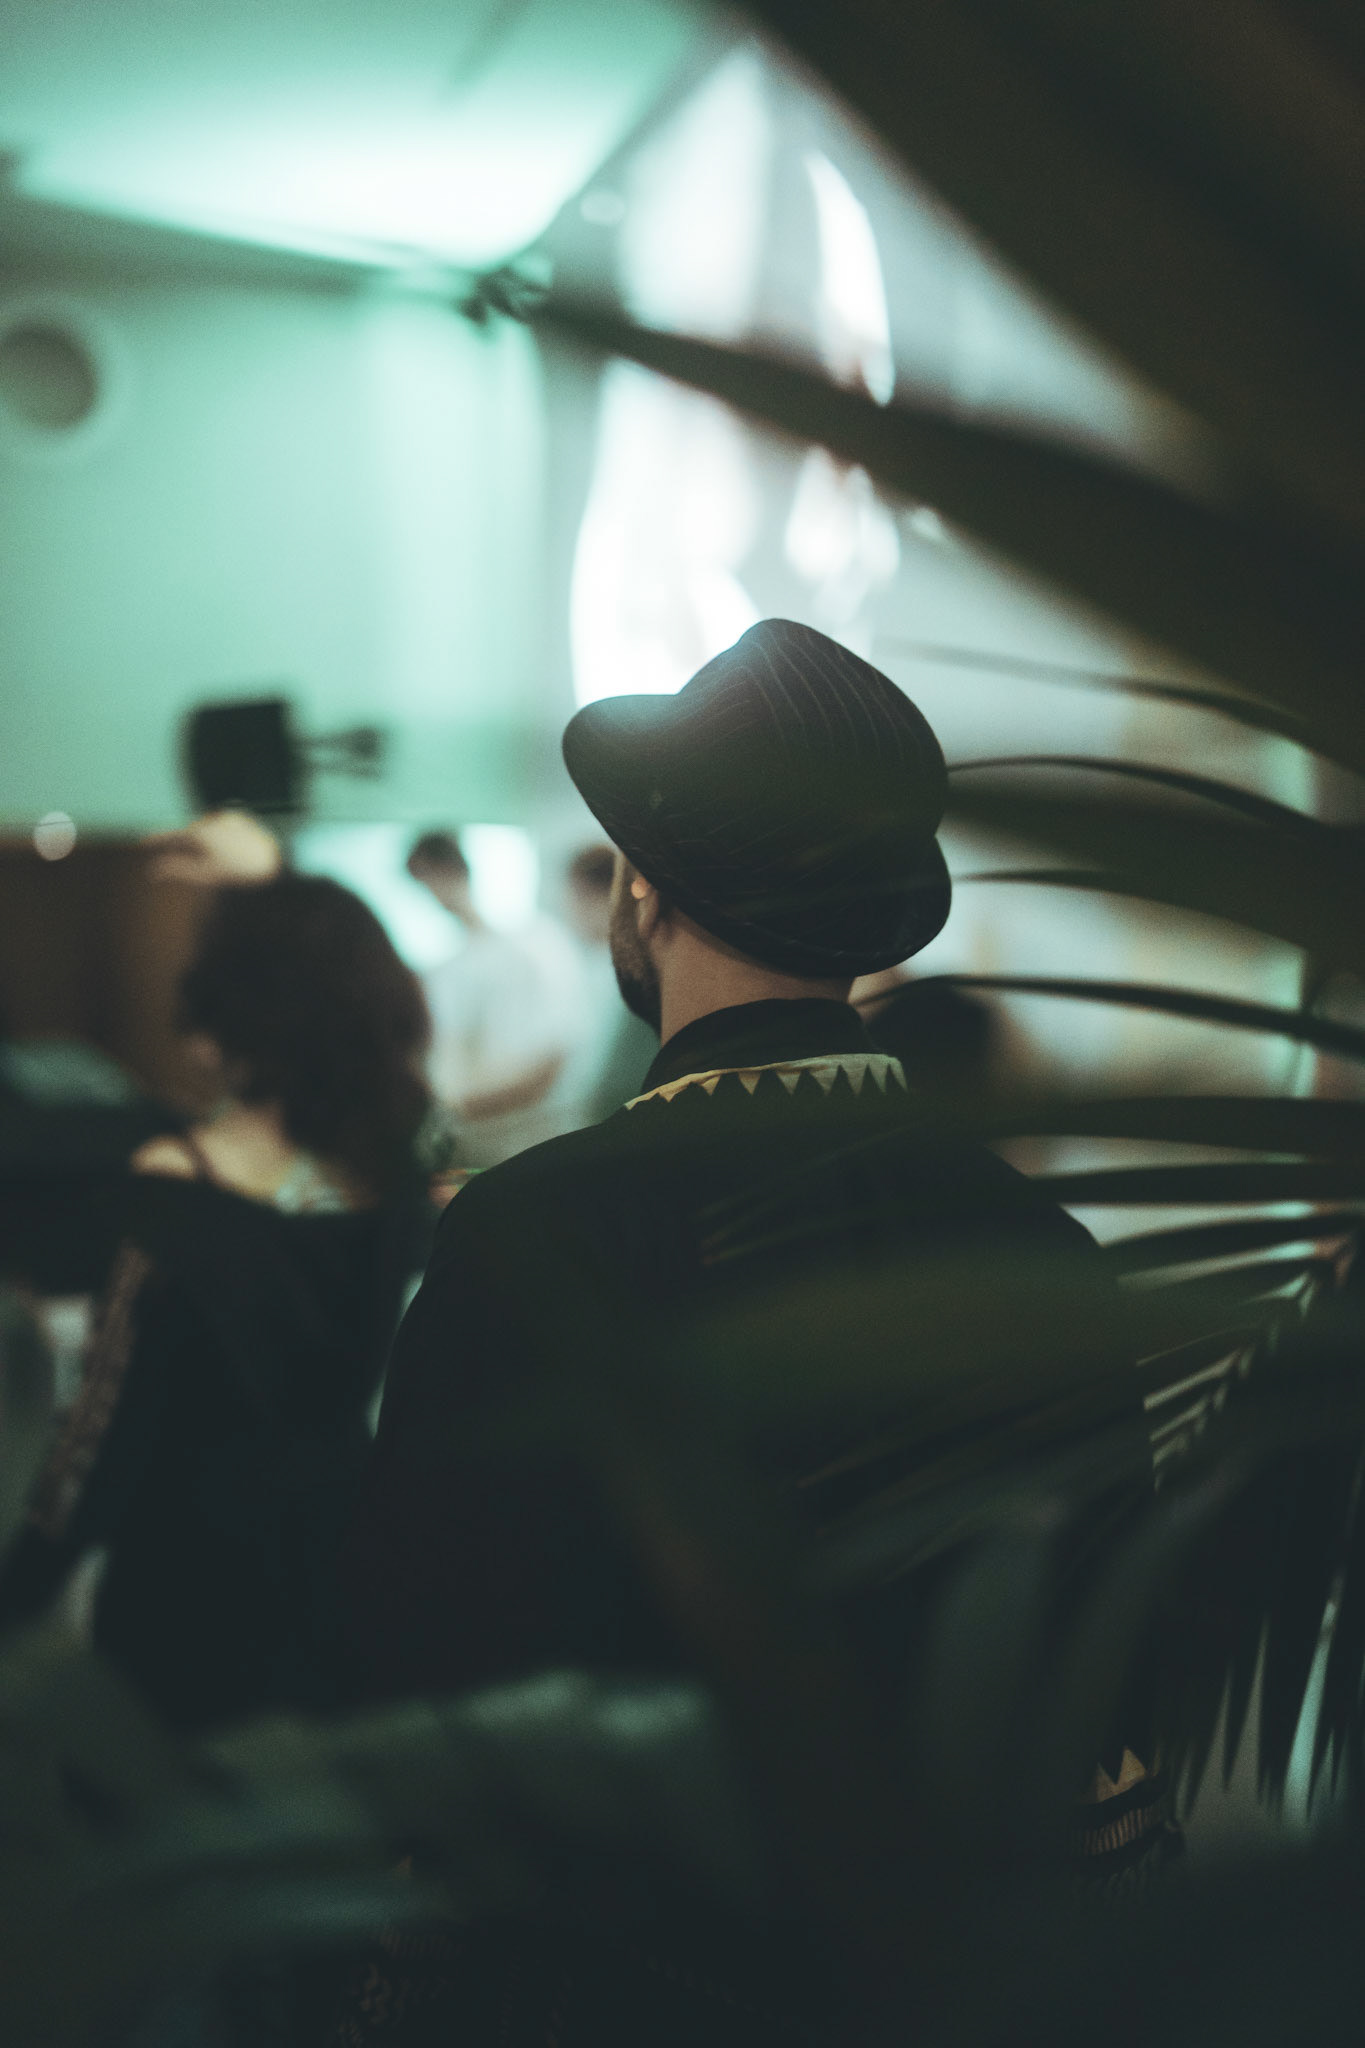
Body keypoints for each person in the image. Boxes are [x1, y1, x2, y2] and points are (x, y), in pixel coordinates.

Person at [347, 621, 1147, 1705]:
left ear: (646, 885)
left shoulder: (528, 1231)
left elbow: (416, 1643)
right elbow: (1100, 1668)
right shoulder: (1038, 1244)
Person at [0, 873, 433, 1731]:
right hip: (341, 1556)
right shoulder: (393, 1173)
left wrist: (19, 1591)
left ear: (230, 1015)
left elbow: (98, 1435)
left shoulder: (178, 1187)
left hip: (187, 1587)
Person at [407, 830, 585, 1166]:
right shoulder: (450, 967)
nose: (433, 893)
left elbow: (552, 1055)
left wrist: (453, 1106)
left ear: (456, 869)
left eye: (432, 876)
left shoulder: (534, 943)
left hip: (531, 1141)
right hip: (472, 1145)